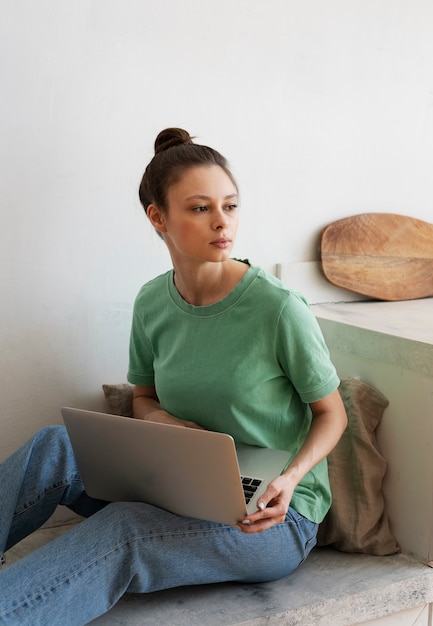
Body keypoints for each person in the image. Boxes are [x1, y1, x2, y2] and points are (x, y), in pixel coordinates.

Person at [0, 128, 347, 625]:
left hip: (270, 517)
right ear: (157, 217)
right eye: (201, 208)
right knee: (54, 446)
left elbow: (331, 413)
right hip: (179, 487)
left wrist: (291, 479)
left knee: (125, 528)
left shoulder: (278, 308)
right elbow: (144, 396)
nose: (222, 223)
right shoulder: (151, 302)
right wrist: (161, 419)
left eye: (230, 206)